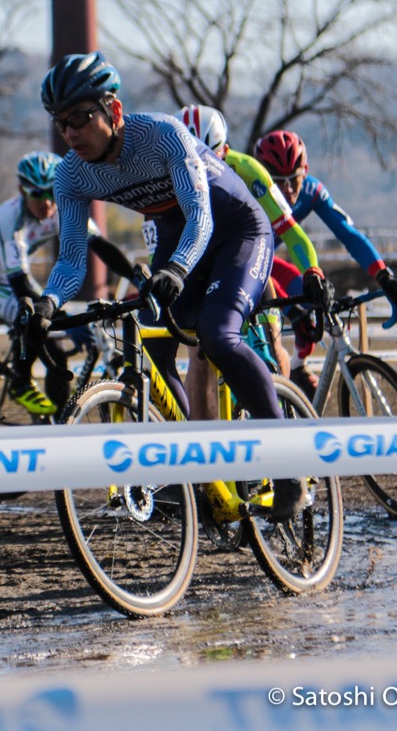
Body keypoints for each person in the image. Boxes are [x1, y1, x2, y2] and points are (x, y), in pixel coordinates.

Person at [27, 51, 309, 519]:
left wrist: (176, 270)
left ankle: (287, 465)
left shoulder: (162, 136)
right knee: (150, 343)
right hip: (179, 237)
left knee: (219, 336)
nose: (71, 133)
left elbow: (202, 216)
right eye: (61, 123)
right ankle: (197, 469)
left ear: (113, 111)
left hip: (236, 230)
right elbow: (73, 259)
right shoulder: (72, 174)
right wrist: (47, 303)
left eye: (80, 117)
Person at [176, 104, 329, 410]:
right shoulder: (164, 169)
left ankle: (280, 404)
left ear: (226, 150)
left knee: (270, 340)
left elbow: (292, 233)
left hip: (244, 254)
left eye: (208, 155)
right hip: (200, 260)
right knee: (200, 354)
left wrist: (312, 271)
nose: (199, 165)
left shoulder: (247, 170)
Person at [0, 150, 134, 415]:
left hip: (8, 280)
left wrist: (136, 277)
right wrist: (62, 316)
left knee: (56, 348)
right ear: (21, 190)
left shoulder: (62, 206)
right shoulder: (9, 222)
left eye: (51, 192)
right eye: (37, 194)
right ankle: (20, 381)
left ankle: (55, 420)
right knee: (31, 315)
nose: (46, 203)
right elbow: (20, 285)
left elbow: (101, 246)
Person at [252, 129, 397, 396]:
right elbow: (254, 264)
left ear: (306, 171)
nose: (289, 190)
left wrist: (384, 275)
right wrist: (291, 312)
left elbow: (351, 237)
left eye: (294, 179)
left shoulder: (311, 191)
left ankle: (299, 366)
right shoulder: (253, 194)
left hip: (272, 259)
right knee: (282, 315)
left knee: (314, 293)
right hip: (251, 260)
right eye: (279, 182)